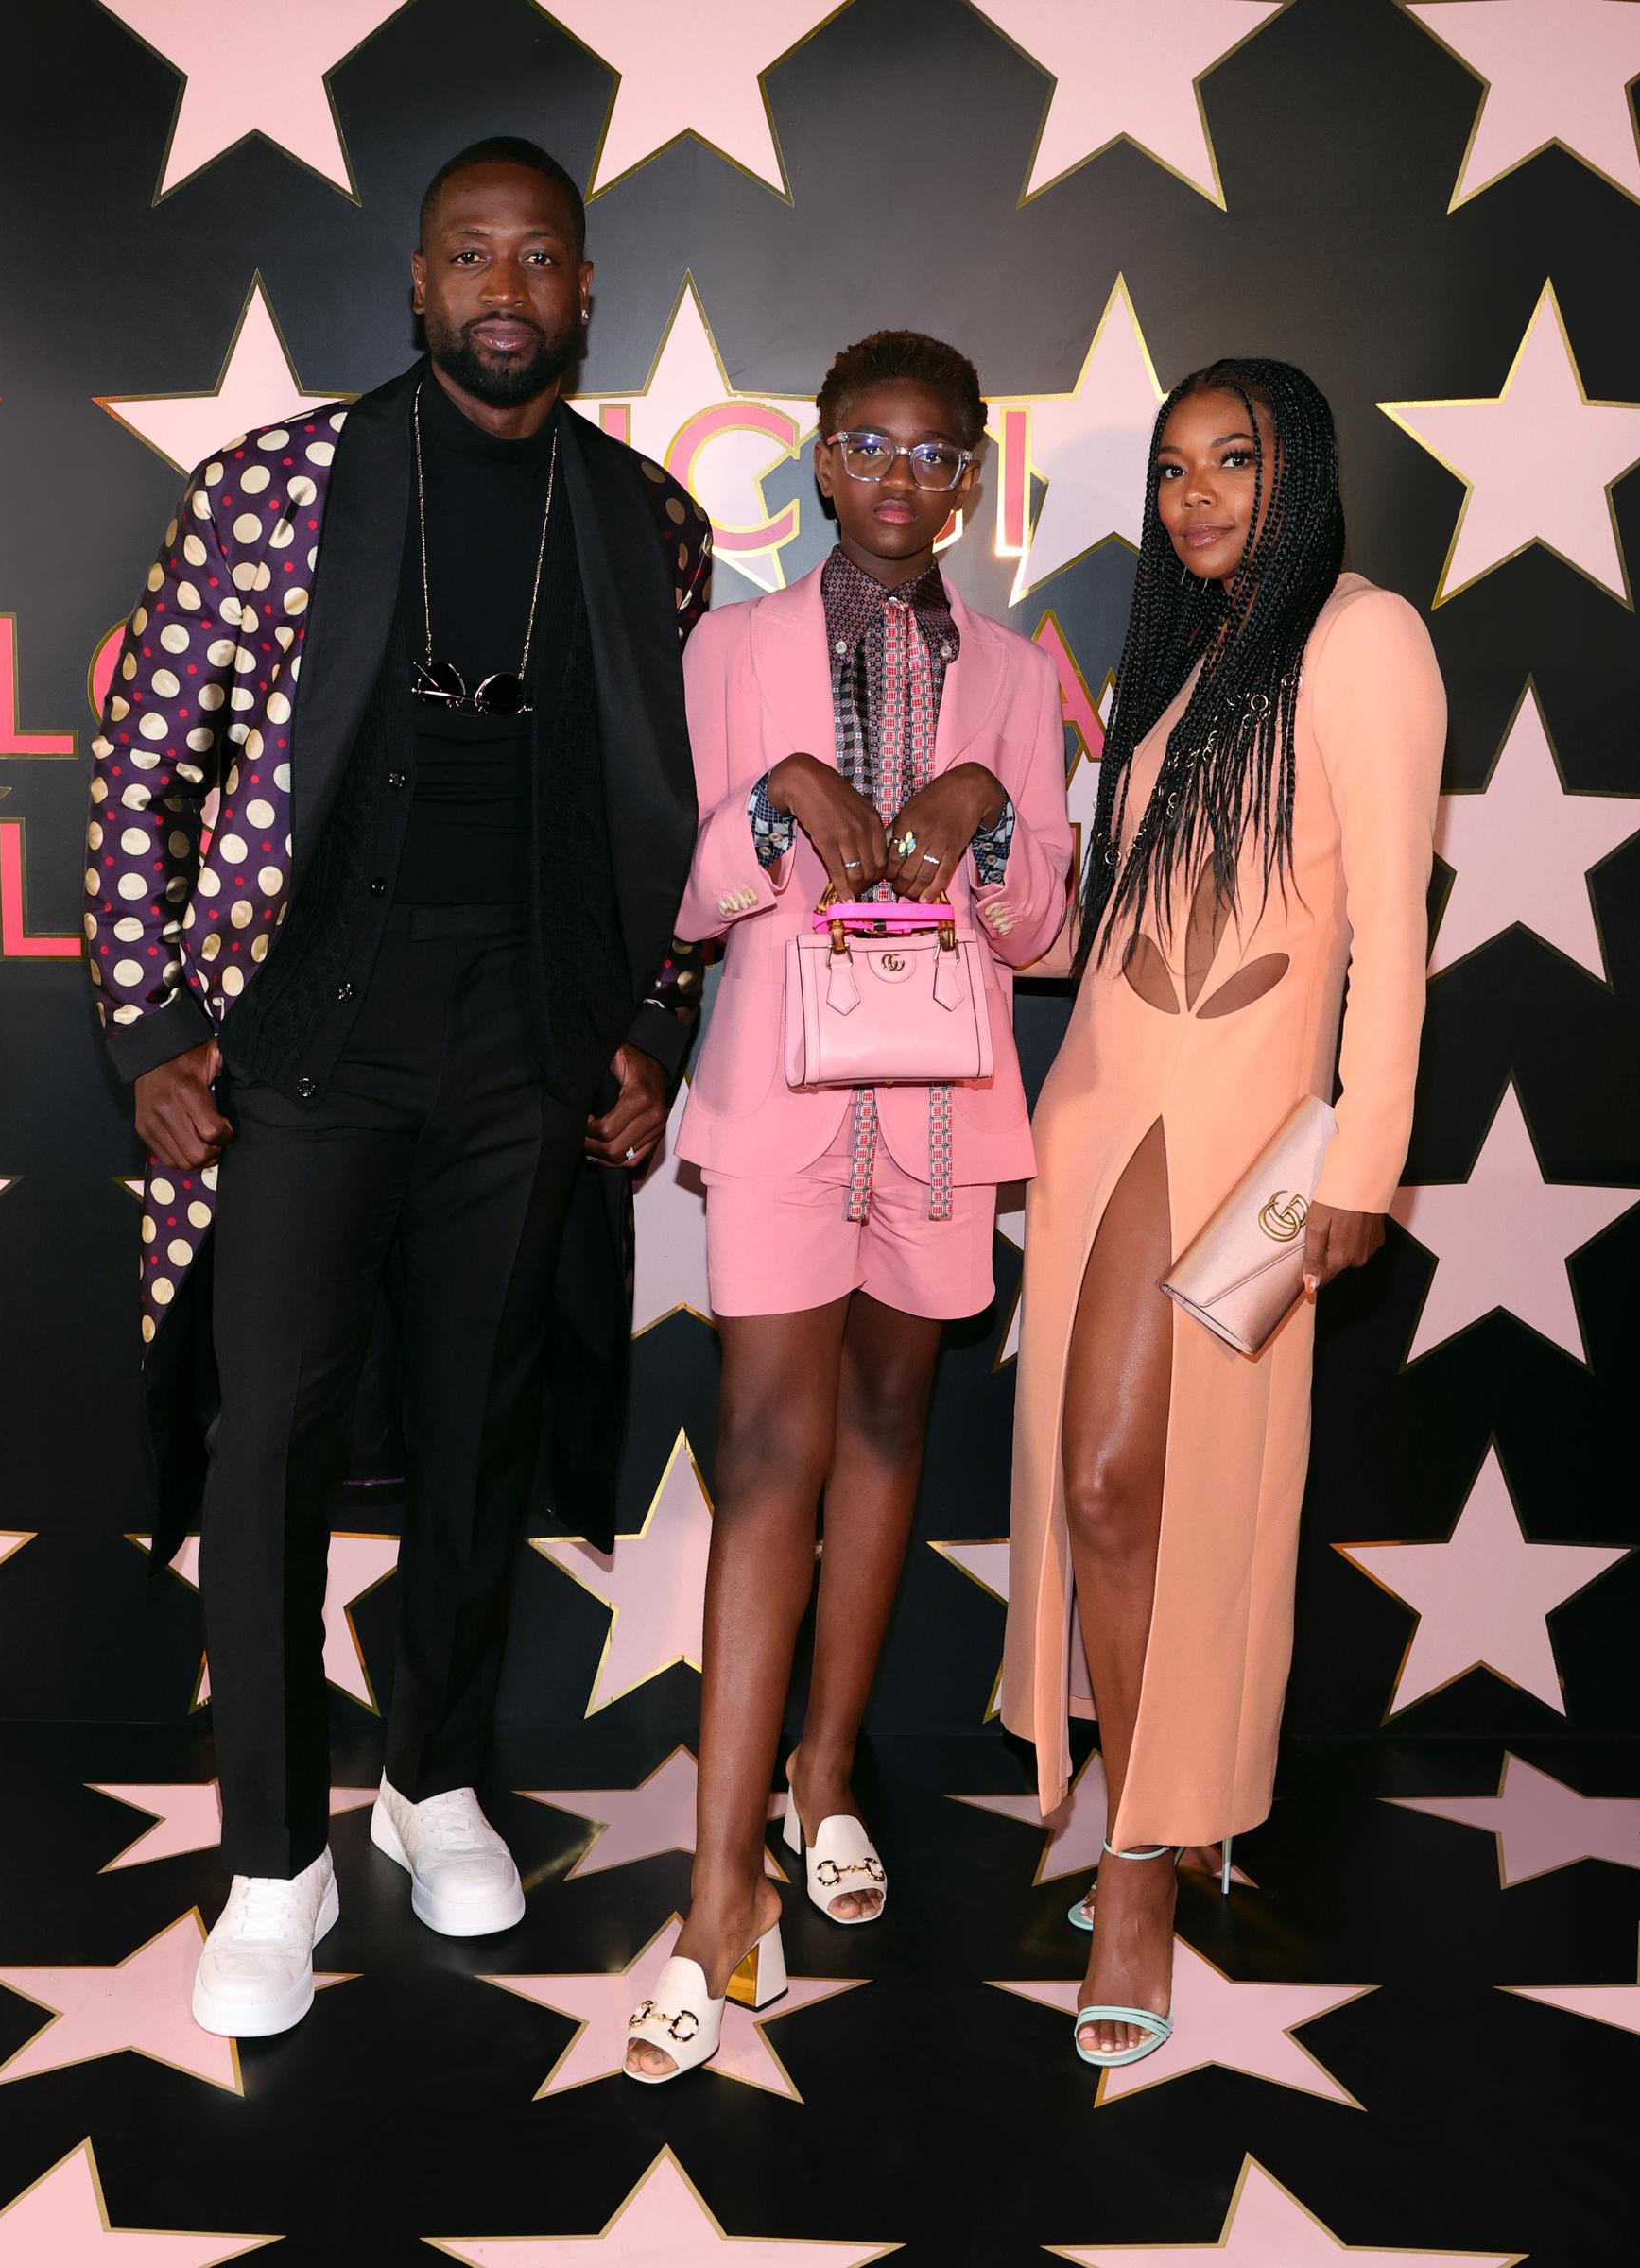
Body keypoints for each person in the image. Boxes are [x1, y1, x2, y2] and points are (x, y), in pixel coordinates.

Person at [82, 139, 713, 2038]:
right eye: (469, 254)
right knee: (261, 1445)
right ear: (421, 285)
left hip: (524, 1054)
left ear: (587, 291)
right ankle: (273, 1857)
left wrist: (646, 1022)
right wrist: (145, 1031)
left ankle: (434, 1778)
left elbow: (655, 817)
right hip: (304, 1045)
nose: (504, 284)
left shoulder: (644, 518)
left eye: (540, 256)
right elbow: (140, 764)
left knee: (474, 1435)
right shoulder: (281, 486)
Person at [623, 332, 1073, 2084]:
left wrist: (976, 822)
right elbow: (673, 887)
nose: (902, 478)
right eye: (870, 446)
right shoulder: (729, 649)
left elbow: (1040, 927)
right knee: (765, 1458)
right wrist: (774, 801)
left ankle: (825, 1786)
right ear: (817, 461)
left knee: (893, 1422)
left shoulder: (1024, 675)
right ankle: (715, 1893)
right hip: (779, 1103)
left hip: (947, 1112)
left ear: (974, 473)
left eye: (937, 452)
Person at [1002, 360, 1446, 2069]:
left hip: (1265, 1148)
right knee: (1101, 1481)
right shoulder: (1183, 669)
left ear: (1301, 471)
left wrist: (1364, 1161)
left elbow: (1392, 930)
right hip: (1105, 1116)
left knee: (1177, 1482)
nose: (1194, 496)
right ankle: (1149, 1803)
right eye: (1173, 469)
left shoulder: (1364, 636)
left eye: (1232, 463)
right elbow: (1118, 930)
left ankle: (1144, 1851)